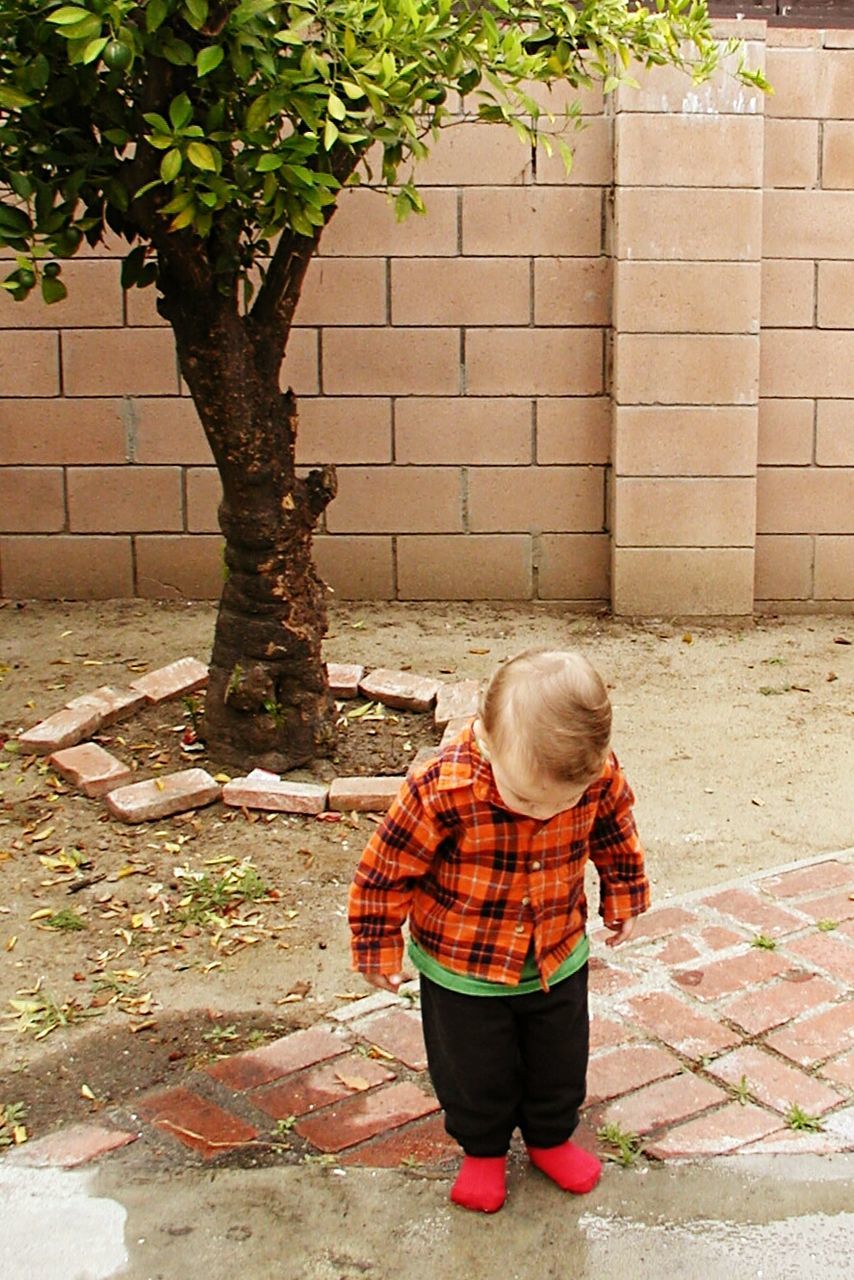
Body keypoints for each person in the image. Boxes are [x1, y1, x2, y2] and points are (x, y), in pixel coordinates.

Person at [348, 648, 649, 1213]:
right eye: (529, 799)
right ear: (484, 739)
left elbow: (615, 831)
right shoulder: (442, 786)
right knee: (472, 1069)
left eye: (564, 802)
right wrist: (376, 943)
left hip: (557, 952)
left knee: (559, 1060)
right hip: (463, 966)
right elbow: (388, 868)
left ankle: (550, 1136)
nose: (544, 812)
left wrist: (624, 892)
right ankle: (482, 1150)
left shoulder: (594, 776)